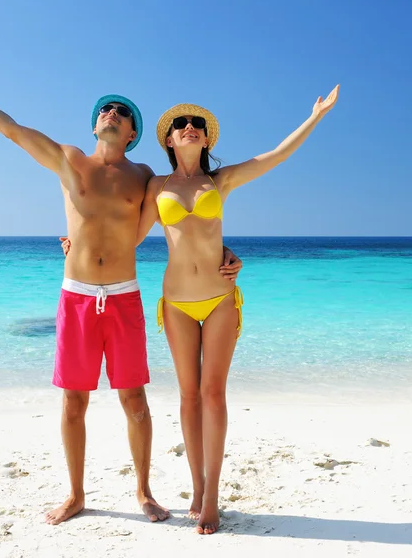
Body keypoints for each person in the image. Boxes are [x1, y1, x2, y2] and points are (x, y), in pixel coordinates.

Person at [0, 60, 243, 526]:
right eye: (105, 110)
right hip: (77, 294)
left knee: (135, 402)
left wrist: (229, 252)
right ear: (96, 123)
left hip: (123, 295)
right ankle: (76, 494)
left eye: (120, 111)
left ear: (134, 130)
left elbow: (185, 217)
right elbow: (13, 132)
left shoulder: (143, 177)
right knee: (73, 401)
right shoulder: (69, 159)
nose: (111, 113)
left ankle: (143, 491)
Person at [132, 87, 340, 535]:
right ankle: (195, 485)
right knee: (188, 396)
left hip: (221, 297)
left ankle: (212, 496)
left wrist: (315, 115)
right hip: (177, 303)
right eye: (182, 125)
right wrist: (78, 242)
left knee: (213, 394)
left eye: (199, 126)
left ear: (206, 140)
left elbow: (275, 157)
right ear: (168, 140)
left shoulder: (219, 181)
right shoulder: (156, 186)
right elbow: (127, 236)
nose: (191, 128)